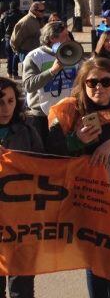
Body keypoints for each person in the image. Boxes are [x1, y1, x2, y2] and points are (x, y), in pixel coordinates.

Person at [48, 58, 110, 297]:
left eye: (106, 81)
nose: (99, 88)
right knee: (94, 261)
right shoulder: (66, 109)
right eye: (92, 82)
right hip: (83, 198)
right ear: (82, 84)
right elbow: (50, 154)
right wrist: (76, 141)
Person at [0, 76, 44, 298]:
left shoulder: (27, 130)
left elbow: (44, 168)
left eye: (10, 101)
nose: (6, 108)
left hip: (22, 224)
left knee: (22, 289)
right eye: (0, 102)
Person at [21, 21, 83, 142]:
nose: (69, 39)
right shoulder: (34, 57)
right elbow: (28, 85)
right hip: (42, 115)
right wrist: (52, 71)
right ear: (52, 38)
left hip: (67, 112)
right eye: (65, 36)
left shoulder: (72, 52)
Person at [1, 2, 23, 78]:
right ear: (17, 7)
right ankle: (15, 74)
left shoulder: (5, 15)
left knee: (9, 56)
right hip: (16, 38)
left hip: (7, 37)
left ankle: (9, 73)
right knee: (15, 55)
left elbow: (1, 27)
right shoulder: (20, 15)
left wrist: (3, 36)